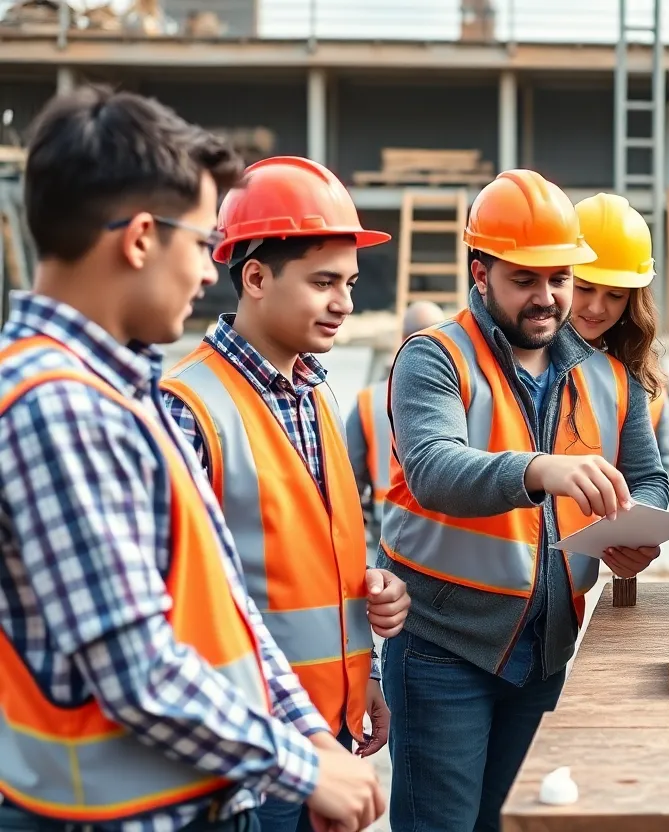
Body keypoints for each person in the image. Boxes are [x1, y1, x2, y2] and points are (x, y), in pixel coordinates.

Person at [0, 85, 383, 831]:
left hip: (198, 790)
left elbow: (226, 613)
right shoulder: (58, 406)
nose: (212, 272)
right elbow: (135, 665)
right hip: (114, 812)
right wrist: (303, 763)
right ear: (141, 238)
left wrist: (307, 733)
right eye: (203, 244)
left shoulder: (122, 391)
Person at [378, 169, 669, 832]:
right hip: (442, 650)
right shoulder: (435, 358)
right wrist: (541, 469)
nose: (548, 298)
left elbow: (650, 478)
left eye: (560, 278)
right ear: (480, 273)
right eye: (524, 280)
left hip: (543, 652)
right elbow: (432, 470)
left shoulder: (612, 379)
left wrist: (634, 533)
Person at [160, 155, 410, 832]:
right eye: (324, 282)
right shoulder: (188, 405)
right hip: (251, 754)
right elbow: (188, 606)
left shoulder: (314, 393)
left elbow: (300, 556)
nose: (346, 303)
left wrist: (368, 645)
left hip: (330, 732)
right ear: (256, 277)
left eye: (351, 283)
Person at [569, 192, 669, 473]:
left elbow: (652, 477)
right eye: (584, 288)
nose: (596, 307)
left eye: (615, 295)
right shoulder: (527, 358)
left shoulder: (637, 375)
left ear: (633, 300)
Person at [347, 300, 447, 547]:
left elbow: (349, 477)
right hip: (446, 529)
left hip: (389, 526)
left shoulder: (369, 400)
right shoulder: (468, 397)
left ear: (402, 338)